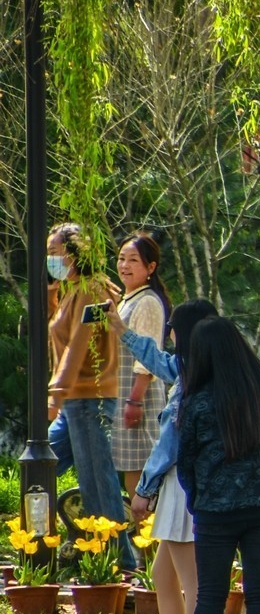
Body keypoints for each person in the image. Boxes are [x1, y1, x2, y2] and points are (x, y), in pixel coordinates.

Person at [105, 297, 217, 614]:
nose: (168, 333)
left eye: (173, 328)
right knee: (163, 575)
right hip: (187, 487)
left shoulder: (192, 382)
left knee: (191, 583)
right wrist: (122, 331)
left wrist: (144, 489)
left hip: (180, 489)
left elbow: (169, 443)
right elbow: (160, 362)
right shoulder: (204, 369)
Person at [177, 316, 260, 614]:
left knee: (210, 595)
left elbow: (186, 460)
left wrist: (197, 498)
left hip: (215, 510)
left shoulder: (198, 401)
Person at [45, 222, 137, 570]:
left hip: (89, 398)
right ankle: (52, 543)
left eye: (54, 253)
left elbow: (78, 347)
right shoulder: (69, 290)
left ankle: (121, 561)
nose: (49, 259)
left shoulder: (93, 288)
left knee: (98, 480)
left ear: (73, 253)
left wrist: (55, 394)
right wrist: (51, 292)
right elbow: (54, 332)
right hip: (73, 402)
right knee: (40, 468)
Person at [112, 232, 172, 504]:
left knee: (139, 464)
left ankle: (147, 536)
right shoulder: (127, 299)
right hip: (124, 392)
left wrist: (134, 400)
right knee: (129, 465)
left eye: (133, 260)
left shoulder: (147, 301)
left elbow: (147, 357)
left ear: (150, 267)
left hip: (138, 395)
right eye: (122, 258)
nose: (125, 265)